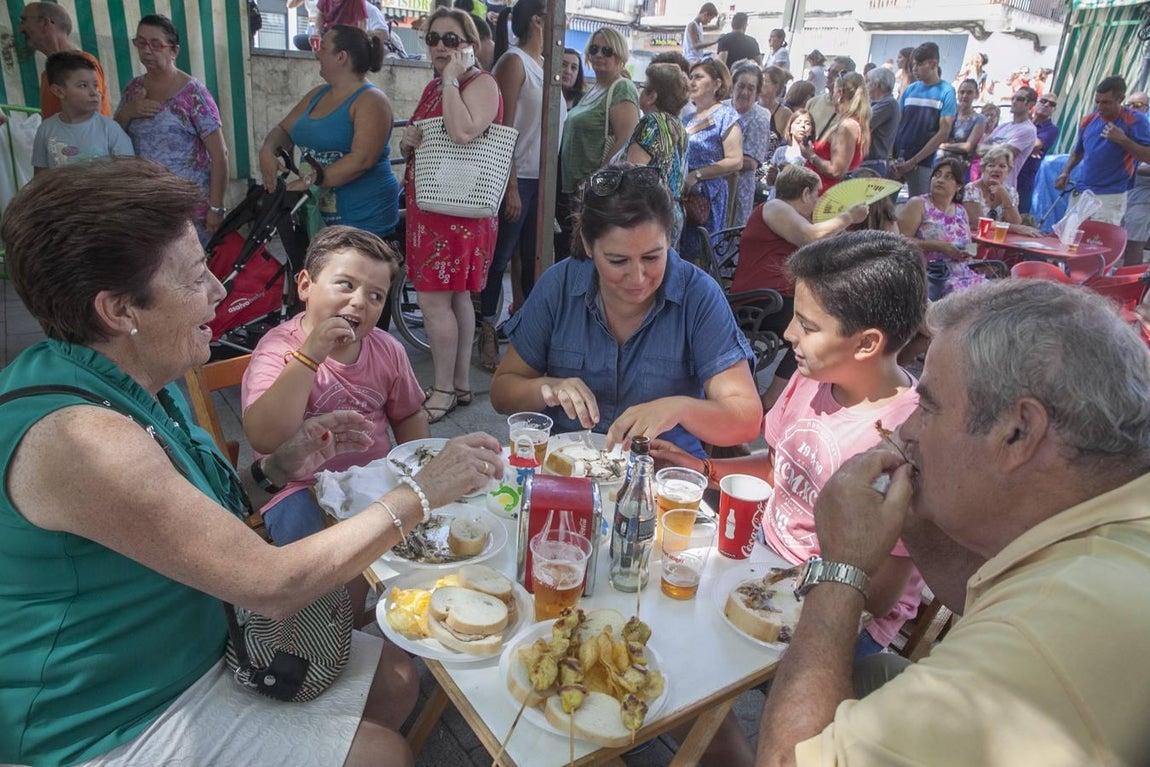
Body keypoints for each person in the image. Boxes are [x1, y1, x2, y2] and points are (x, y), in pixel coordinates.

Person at [0, 158, 505, 767]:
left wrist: (279, 465)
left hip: (208, 636)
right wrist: (421, 492)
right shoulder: (81, 439)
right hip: (114, 715)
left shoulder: (134, 378)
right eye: (196, 277)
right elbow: (272, 587)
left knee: (396, 679)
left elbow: (197, 511)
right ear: (119, 311)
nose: (219, 290)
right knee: (384, 754)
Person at [754, 278, 1150, 767]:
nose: (906, 429)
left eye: (927, 406)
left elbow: (787, 760)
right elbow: (976, 591)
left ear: (1018, 432)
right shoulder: (1105, 512)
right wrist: (915, 514)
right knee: (875, 675)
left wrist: (841, 568)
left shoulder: (1041, 635)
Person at [656, 230, 926, 660]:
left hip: (841, 611)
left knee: (698, 656)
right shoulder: (813, 377)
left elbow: (878, 596)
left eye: (808, 326)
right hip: (764, 561)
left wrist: (775, 593)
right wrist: (702, 469)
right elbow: (777, 468)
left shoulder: (908, 439)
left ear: (867, 343)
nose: (787, 333)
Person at [490, 164, 763, 457]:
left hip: (662, 470)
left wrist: (678, 408)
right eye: (618, 261)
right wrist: (549, 388)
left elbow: (747, 420)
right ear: (588, 245)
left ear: (669, 240)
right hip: (570, 465)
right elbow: (502, 393)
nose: (638, 277)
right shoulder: (559, 286)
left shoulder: (698, 296)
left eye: (652, 257)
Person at [241, 226, 428, 544]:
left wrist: (415, 473)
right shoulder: (277, 350)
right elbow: (266, 438)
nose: (359, 301)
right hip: (297, 485)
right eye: (346, 284)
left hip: (374, 477)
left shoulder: (387, 349)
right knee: (314, 552)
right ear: (305, 285)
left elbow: (409, 414)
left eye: (376, 296)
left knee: (417, 538)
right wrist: (309, 357)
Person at [398, 8, 502, 423]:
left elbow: (462, 132)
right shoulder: (437, 85)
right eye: (433, 38)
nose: (440, 46)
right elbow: (423, 138)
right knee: (455, 296)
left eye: (451, 39)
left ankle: (443, 388)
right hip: (434, 207)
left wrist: (451, 80)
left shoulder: (480, 83)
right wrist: (409, 141)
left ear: (470, 45)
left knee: (433, 300)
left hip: (457, 212)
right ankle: (457, 384)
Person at [729, 165, 869, 408]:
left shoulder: (788, 215)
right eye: (816, 195)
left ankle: (803, 393)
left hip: (777, 298)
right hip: (762, 302)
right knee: (820, 330)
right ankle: (773, 399)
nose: (817, 202)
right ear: (805, 193)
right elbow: (809, 237)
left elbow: (817, 245)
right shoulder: (776, 206)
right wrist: (848, 216)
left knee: (836, 321)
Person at [476, 0, 561, 372]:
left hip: (541, 179)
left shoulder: (544, 65)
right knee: (499, 259)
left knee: (532, 259)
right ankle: (486, 330)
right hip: (516, 178)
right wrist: (509, 185)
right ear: (539, 21)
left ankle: (527, 335)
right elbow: (502, 129)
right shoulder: (514, 62)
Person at [259, 25, 398, 241]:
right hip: (316, 219)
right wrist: (268, 151)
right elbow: (283, 129)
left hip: (361, 222)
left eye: (322, 47)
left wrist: (309, 181)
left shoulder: (372, 100)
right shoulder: (317, 94)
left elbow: (362, 160)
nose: (316, 53)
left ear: (341, 57)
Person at [114, 14, 229, 244]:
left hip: (188, 208)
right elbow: (115, 135)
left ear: (174, 50)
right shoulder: (133, 89)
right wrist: (128, 112)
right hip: (146, 205)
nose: (147, 51)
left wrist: (216, 208)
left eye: (156, 44)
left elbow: (219, 154)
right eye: (141, 43)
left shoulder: (193, 94)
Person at [557, 28, 640, 257]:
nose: (599, 55)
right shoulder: (593, 89)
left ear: (620, 55)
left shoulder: (621, 87)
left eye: (607, 50)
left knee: (589, 253)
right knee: (576, 252)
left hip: (595, 191)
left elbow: (627, 137)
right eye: (594, 49)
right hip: (576, 187)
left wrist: (596, 180)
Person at [1055, 76, 1150, 226]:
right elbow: (1077, 151)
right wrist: (1065, 171)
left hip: (1111, 195)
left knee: (1099, 239)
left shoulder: (1135, 120)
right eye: (1097, 101)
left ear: (1120, 99)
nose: (1100, 106)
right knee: (1069, 235)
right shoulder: (1089, 120)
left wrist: (1123, 140)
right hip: (1082, 191)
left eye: (1105, 102)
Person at [680, 58, 744, 262]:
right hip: (683, 195)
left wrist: (697, 175)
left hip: (707, 199)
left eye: (699, 77)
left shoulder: (726, 115)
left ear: (717, 84)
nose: (692, 82)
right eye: (691, 77)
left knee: (700, 258)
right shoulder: (686, 119)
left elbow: (735, 160)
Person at [32, 52, 133, 173]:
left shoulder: (110, 129)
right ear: (58, 91)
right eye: (83, 86)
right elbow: (40, 177)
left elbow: (129, 174)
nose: (94, 92)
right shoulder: (46, 130)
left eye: (95, 86)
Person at [898, 157, 983, 300]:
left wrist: (965, 252)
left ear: (958, 186)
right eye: (937, 175)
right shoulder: (919, 204)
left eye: (948, 177)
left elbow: (970, 247)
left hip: (963, 274)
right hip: (933, 277)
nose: (940, 180)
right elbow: (899, 241)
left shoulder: (961, 210)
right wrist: (938, 246)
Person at [623, 62, 690, 245]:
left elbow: (634, 172)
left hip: (648, 212)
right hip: (672, 212)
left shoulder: (651, 122)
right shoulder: (679, 127)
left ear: (652, 96)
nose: (640, 91)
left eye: (643, 86)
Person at [18, 2, 111, 119]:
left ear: (45, 22)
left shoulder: (84, 64)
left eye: (24, 21)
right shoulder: (48, 74)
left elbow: (91, 120)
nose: (20, 28)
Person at [891, 42, 957, 197]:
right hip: (898, 158)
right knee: (885, 204)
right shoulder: (910, 89)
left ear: (933, 64)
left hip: (922, 163)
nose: (914, 69)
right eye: (913, 65)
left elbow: (943, 132)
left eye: (919, 65)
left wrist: (913, 161)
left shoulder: (946, 91)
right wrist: (890, 156)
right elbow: (897, 123)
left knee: (918, 203)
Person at [802, 71, 869, 191]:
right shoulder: (856, 122)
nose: (831, 96)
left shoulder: (848, 126)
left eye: (833, 91)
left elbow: (836, 171)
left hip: (825, 193)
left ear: (840, 93)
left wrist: (810, 155)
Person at [728, 61, 771, 227]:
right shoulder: (721, 109)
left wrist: (716, 158)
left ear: (757, 92)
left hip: (738, 189)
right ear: (733, 86)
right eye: (741, 86)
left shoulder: (760, 117)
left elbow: (751, 162)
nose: (745, 92)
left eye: (751, 88)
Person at [963, 146, 1039, 236]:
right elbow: (978, 223)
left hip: (999, 240)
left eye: (1002, 166)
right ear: (983, 168)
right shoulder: (971, 189)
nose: (996, 169)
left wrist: (1004, 196)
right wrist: (1014, 228)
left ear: (1008, 170)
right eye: (991, 165)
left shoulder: (1011, 192)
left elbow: (1015, 222)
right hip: (973, 239)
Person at [978, 86, 1037, 189]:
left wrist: (991, 149)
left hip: (1003, 187)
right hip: (984, 182)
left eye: (1020, 99)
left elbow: (1004, 154)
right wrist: (999, 148)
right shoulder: (1003, 126)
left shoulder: (1028, 130)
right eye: (1013, 98)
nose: (1014, 101)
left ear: (1030, 104)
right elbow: (979, 150)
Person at [1018, 90, 1059, 215]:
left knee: (1018, 218)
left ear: (1054, 109)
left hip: (1024, 181)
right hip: (1007, 175)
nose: (1047, 105)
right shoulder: (1022, 121)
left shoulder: (1051, 130)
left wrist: (1020, 145)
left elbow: (1036, 145)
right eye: (1043, 101)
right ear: (1036, 103)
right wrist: (1027, 148)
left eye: (1051, 104)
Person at [936, 78, 987, 177]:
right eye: (962, 92)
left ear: (976, 94)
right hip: (938, 161)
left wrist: (941, 145)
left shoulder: (979, 119)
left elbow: (967, 146)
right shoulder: (950, 112)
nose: (965, 96)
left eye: (969, 92)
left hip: (959, 166)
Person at [1121, 93, 1149, 266]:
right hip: (1121, 195)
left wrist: (1129, 167)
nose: (1132, 109)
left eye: (1137, 105)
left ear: (1146, 109)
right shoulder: (1124, 128)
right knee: (1113, 242)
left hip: (1142, 199)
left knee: (1133, 244)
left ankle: (1132, 280)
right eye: (1128, 105)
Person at [863, 66, 900, 177]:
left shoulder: (888, 104)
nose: (866, 86)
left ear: (877, 84)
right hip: (867, 164)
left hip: (872, 165)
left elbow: (861, 123)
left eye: (868, 82)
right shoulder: (875, 103)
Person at [768, 108, 815, 180]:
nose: (803, 125)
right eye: (798, 122)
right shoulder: (780, 152)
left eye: (807, 123)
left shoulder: (813, 153)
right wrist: (773, 176)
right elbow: (769, 181)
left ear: (811, 131)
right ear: (790, 129)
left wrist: (790, 172)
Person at [760, 65, 794, 162]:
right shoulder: (751, 108)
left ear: (776, 86)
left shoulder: (784, 113)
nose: (760, 83)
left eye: (765, 81)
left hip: (771, 166)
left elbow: (791, 145)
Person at [968, 101, 1000, 182]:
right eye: (986, 115)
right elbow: (976, 150)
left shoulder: (999, 134)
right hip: (974, 169)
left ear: (997, 118)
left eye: (992, 115)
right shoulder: (976, 132)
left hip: (991, 170)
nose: (989, 118)